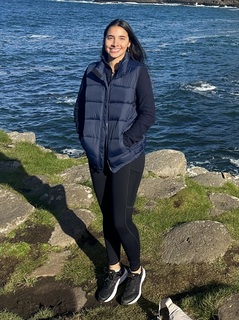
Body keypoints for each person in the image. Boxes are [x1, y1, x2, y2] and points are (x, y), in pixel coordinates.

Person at [74, 19, 156, 305]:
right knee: (107, 217)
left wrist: (126, 141)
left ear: (129, 43)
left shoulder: (137, 71)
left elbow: (148, 114)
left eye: (121, 38)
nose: (115, 43)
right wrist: (86, 139)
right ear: (104, 41)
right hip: (97, 157)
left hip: (126, 158)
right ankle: (114, 270)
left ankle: (135, 271)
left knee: (121, 220)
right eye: (110, 37)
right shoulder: (92, 71)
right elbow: (80, 110)